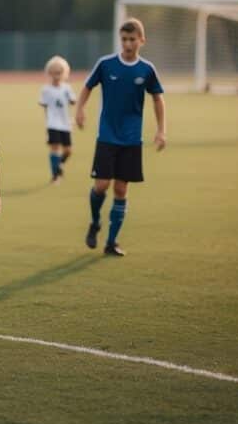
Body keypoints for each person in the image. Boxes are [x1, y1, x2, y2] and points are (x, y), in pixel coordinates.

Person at [75, 18, 166, 257]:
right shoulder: (106, 64)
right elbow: (87, 87)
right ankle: (95, 222)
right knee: (101, 185)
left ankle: (111, 242)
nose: (127, 44)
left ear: (141, 41)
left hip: (132, 139)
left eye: (132, 39)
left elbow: (157, 98)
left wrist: (160, 129)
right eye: (124, 39)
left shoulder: (146, 69)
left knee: (121, 189)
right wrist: (80, 109)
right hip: (107, 136)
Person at [39, 55, 76, 183]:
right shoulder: (46, 90)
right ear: (49, 73)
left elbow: (72, 102)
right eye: (53, 73)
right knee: (54, 148)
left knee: (68, 150)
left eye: (59, 73)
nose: (56, 75)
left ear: (65, 73)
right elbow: (45, 107)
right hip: (53, 124)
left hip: (65, 123)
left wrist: (72, 118)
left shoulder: (67, 88)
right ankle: (55, 176)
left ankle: (58, 165)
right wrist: (47, 124)